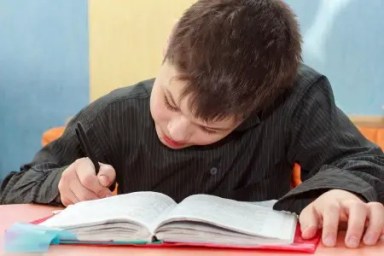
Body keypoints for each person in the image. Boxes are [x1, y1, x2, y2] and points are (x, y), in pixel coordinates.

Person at [1, 0, 383, 249]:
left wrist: (340, 191)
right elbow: (14, 186)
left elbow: (365, 162)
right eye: (169, 100)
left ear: (260, 106)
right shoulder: (115, 114)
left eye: (210, 127)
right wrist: (62, 181)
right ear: (168, 46)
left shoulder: (295, 96)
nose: (177, 131)